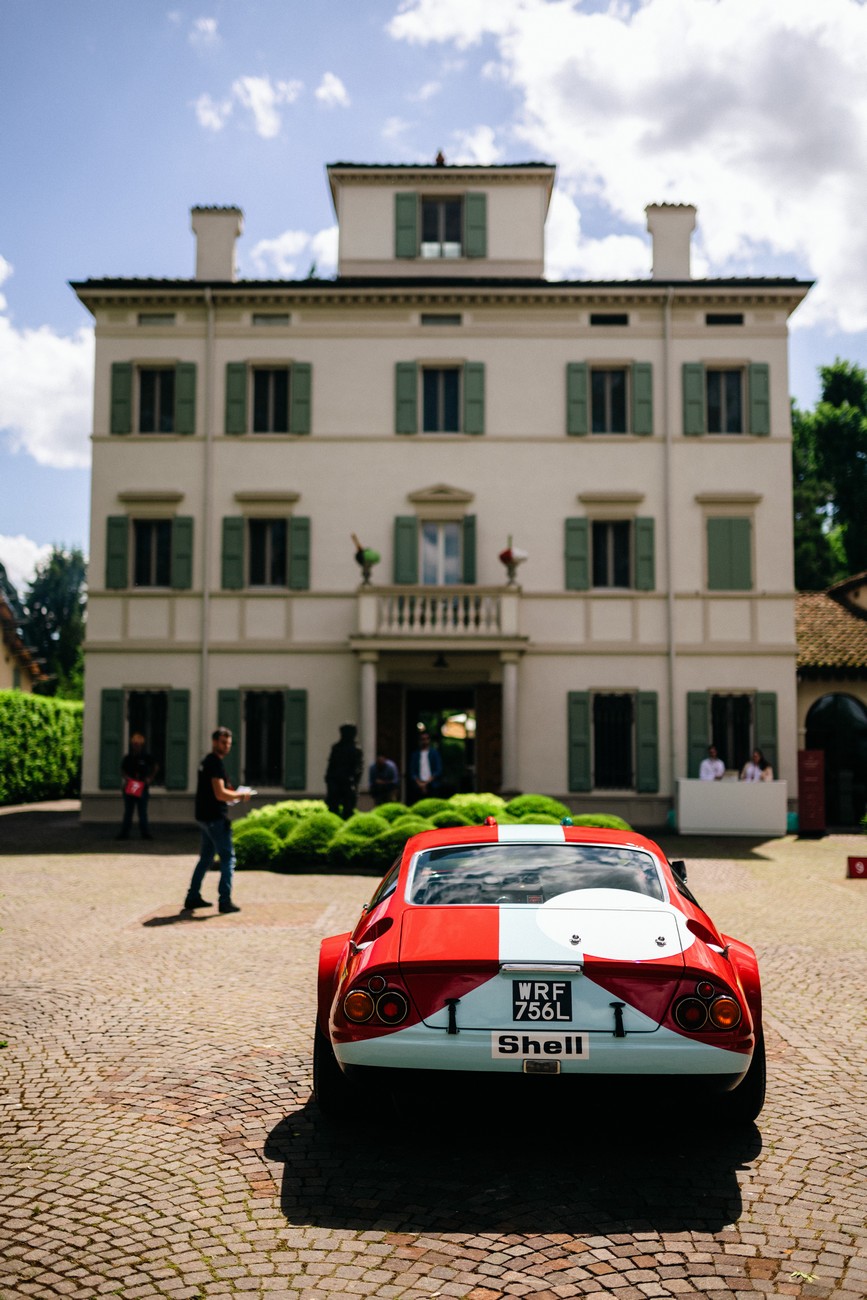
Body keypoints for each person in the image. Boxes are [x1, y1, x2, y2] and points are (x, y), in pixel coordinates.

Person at [184, 727, 250, 914]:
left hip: (205, 817)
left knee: (205, 858)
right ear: (214, 742)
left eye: (228, 743)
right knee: (228, 858)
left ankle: (192, 897)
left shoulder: (207, 762)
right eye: (223, 742)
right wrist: (240, 795)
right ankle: (224, 900)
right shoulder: (214, 763)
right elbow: (220, 793)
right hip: (214, 818)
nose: (226, 746)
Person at [116, 732, 157, 840]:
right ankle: (125, 833)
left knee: (142, 812)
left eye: (138, 744)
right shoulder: (128, 757)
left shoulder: (146, 757)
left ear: (141, 745)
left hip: (142, 785)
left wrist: (150, 778)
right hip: (131, 785)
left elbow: (155, 767)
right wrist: (126, 778)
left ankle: (145, 833)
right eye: (134, 744)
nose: (136, 746)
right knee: (128, 811)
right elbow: (122, 769)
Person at [325, 723, 363, 819]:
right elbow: (331, 765)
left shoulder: (356, 749)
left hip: (348, 782)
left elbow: (358, 768)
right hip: (336, 781)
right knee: (333, 808)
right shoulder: (337, 748)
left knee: (348, 809)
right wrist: (329, 780)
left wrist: (355, 782)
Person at [408, 731, 442, 804]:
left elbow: (438, 770)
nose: (425, 741)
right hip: (418, 785)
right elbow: (412, 771)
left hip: (432, 785)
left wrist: (426, 783)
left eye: (426, 739)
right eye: (423, 739)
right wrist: (420, 783)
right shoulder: (415, 755)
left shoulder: (434, 753)